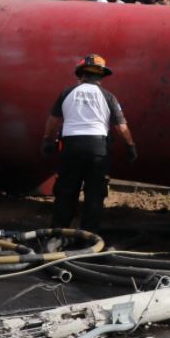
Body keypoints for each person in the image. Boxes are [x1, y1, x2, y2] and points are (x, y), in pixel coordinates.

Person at [42, 54, 135, 232]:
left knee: (66, 191)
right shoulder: (108, 97)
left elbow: (53, 120)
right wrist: (130, 146)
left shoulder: (67, 93)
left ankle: (58, 233)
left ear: (81, 74)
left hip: (71, 147)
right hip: (97, 149)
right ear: (101, 76)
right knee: (95, 194)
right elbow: (121, 126)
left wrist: (47, 139)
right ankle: (89, 236)